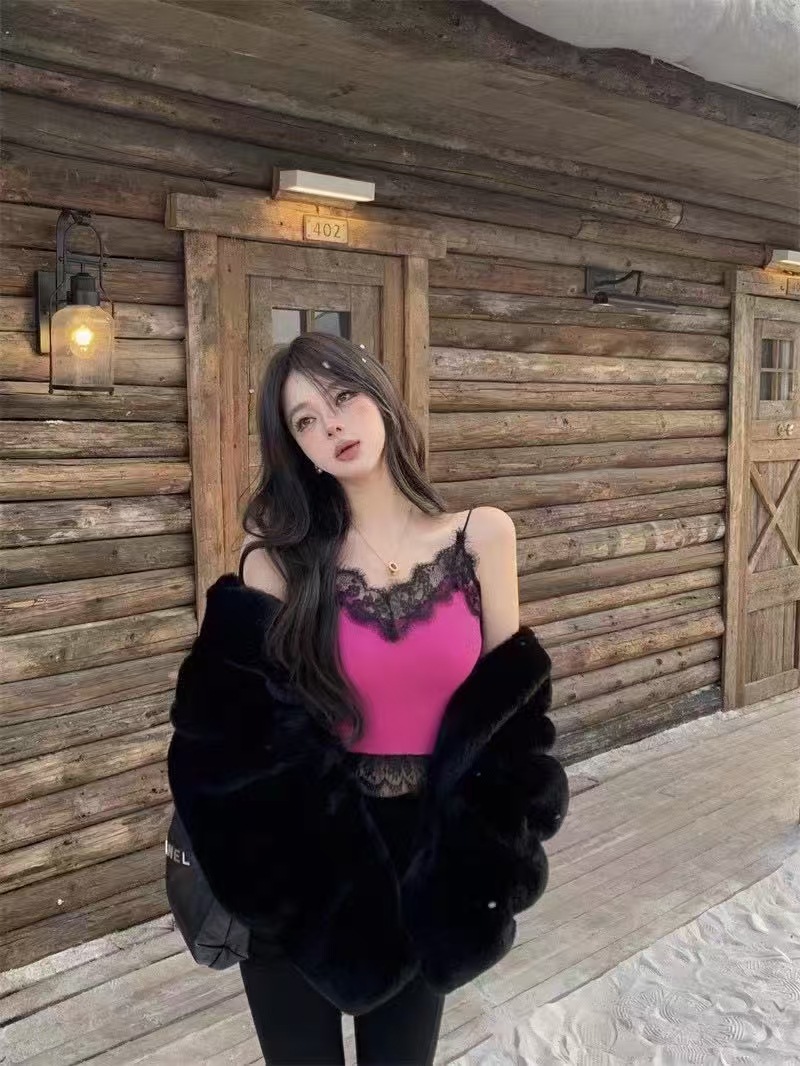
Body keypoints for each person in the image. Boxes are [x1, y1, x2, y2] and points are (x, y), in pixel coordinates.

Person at [167, 333, 570, 1064]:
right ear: (297, 449)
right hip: (302, 868)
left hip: (422, 867)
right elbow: (225, 737)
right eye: (305, 420)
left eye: (342, 397)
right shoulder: (278, 564)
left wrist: (490, 860)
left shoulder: (482, 537)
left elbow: (512, 725)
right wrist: (262, 875)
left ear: (380, 397)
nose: (332, 425)